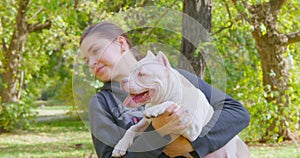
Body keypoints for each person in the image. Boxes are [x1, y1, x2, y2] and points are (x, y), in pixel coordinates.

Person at [79, 21, 250, 158]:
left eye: (96, 51)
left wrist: (193, 146)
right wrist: (157, 132)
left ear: (121, 44)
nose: (92, 63)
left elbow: (237, 114)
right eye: (87, 60)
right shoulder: (102, 103)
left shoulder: (174, 77)